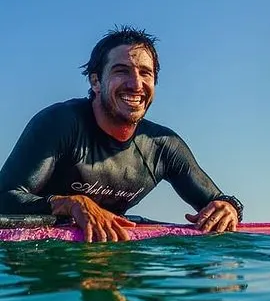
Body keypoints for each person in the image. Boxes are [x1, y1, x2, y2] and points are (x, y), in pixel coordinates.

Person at [0, 26, 243, 242]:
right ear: (96, 82)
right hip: (35, 256)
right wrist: (71, 204)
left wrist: (229, 208)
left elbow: (217, 201)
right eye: (121, 71)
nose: (136, 84)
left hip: (111, 252)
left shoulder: (162, 145)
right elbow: (4, 197)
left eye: (145, 73)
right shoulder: (60, 123)